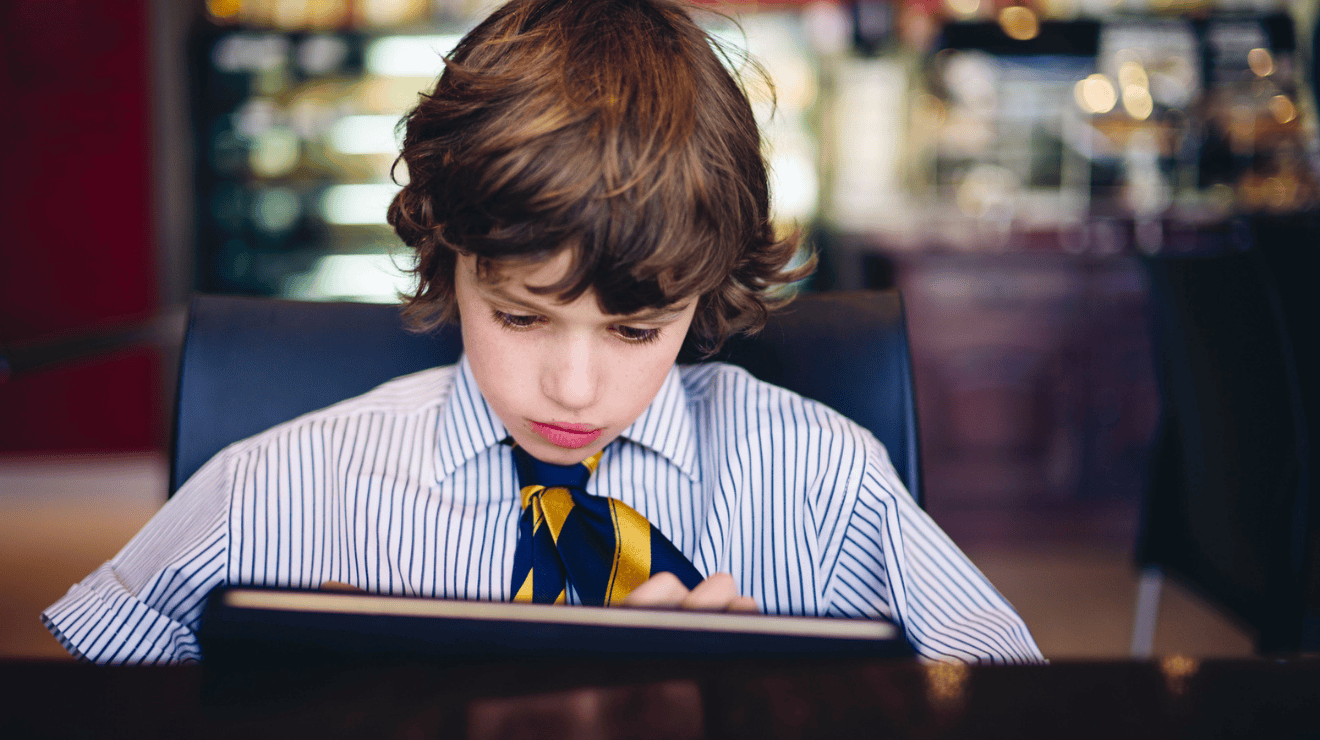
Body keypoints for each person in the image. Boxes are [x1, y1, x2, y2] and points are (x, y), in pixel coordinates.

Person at [42, 0, 1041, 664]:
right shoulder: (278, 490)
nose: (572, 388)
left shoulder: (825, 484)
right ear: (450, 260)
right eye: (521, 315)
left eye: (635, 328)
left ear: (703, 296)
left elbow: (1014, 701)